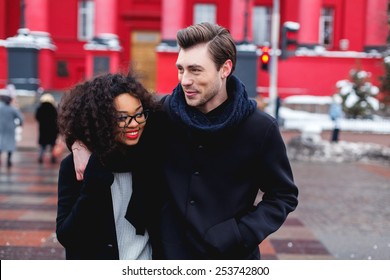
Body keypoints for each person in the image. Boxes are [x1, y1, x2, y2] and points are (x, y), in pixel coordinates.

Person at [73, 22, 299, 260]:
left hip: (231, 259)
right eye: (181, 69)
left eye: (195, 70)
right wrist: (77, 142)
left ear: (225, 68)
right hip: (165, 257)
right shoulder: (161, 114)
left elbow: (283, 195)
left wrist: (239, 233)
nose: (184, 80)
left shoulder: (260, 128)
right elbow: (104, 122)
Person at [56, 72, 162, 260]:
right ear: (101, 121)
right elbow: (67, 236)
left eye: (139, 113)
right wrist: (94, 184)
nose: (134, 124)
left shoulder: (151, 156)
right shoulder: (79, 166)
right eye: (122, 118)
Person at [0, 92, 24, 168]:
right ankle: (9, 159)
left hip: (0, 127)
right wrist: (20, 124)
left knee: (0, 142)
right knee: (10, 143)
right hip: (10, 128)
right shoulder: (12, 109)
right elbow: (20, 118)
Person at [35, 93, 59, 164]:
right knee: (53, 145)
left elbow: (37, 117)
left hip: (43, 130)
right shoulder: (54, 109)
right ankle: (53, 158)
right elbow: (57, 119)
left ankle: (40, 157)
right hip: (52, 130)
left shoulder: (40, 109)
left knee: (42, 145)